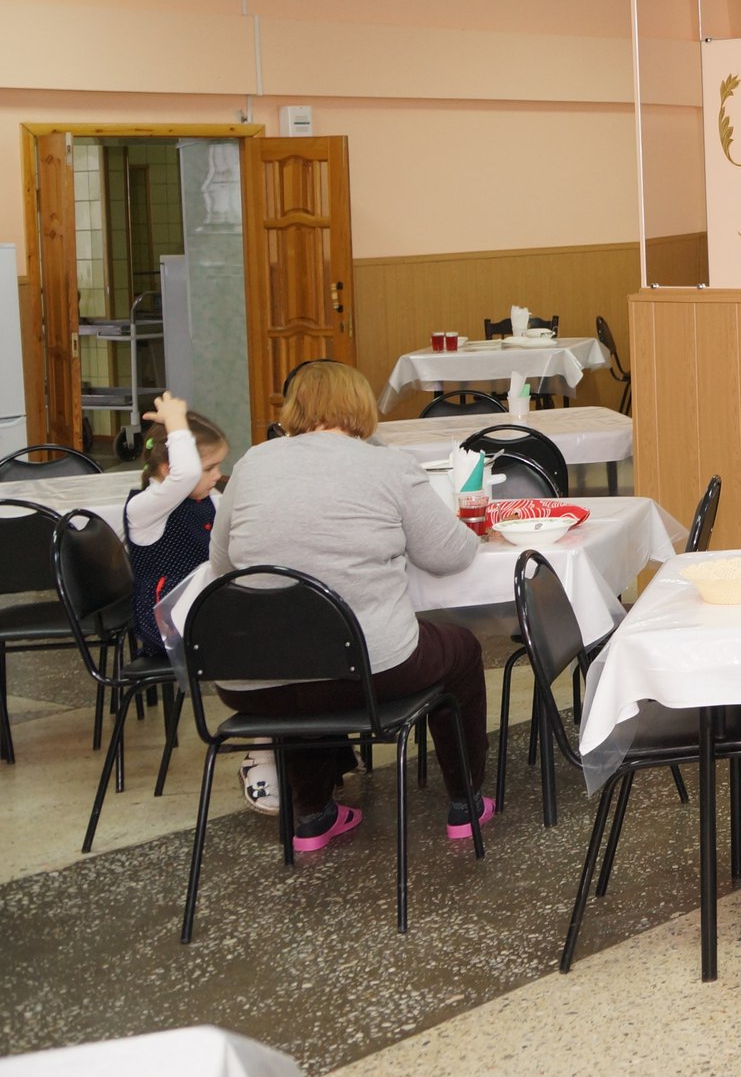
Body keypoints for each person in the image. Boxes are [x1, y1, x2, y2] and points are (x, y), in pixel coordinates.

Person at [209, 361, 489, 852]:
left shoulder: (252, 463)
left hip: (253, 680)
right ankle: (466, 804)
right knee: (461, 650)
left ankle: (313, 817)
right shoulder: (388, 465)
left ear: (293, 408)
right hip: (369, 671)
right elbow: (449, 556)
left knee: (300, 655)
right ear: (362, 407)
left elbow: (222, 564)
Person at [123, 392, 226, 659]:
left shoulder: (210, 499)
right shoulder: (145, 508)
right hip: (166, 623)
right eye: (210, 468)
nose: (217, 475)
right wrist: (175, 421)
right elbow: (187, 474)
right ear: (169, 469)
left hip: (203, 608)